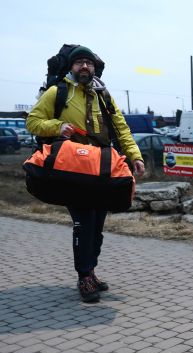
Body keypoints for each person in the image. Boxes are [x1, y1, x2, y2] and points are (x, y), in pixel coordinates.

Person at [27, 46, 146, 303]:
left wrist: (135, 156)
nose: (84, 66)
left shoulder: (103, 94)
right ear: (71, 67)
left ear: (95, 68)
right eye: (79, 62)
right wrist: (58, 126)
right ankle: (84, 277)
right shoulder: (56, 92)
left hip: (100, 168)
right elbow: (33, 121)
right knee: (84, 223)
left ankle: (90, 270)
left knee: (98, 226)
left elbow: (120, 127)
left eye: (88, 63)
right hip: (72, 168)